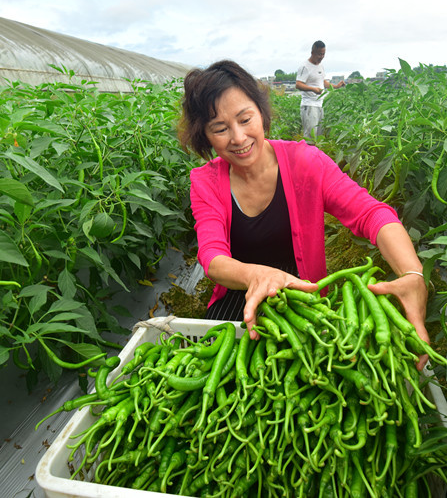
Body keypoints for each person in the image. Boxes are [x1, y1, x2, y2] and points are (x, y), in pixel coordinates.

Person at [178, 60, 429, 369]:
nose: (239, 138)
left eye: (246, 119)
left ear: (262, 112)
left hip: (304, 301)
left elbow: (371, 214)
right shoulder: (206, 182)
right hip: (239, 298)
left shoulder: (305, 162)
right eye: (220, 129)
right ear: (205, 136)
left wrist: (413, 274)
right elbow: (213, 257)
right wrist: (256, 275)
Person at [295, 40, 345, 139]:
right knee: (310, 137)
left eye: (323, 54)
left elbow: (323, 82)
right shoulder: (305, 67)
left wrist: (336, 86)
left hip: (319, 105)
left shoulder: (320, 66)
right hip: (309, 105)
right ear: (312, 52)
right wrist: (313, 89)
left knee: (319, 136)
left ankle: (315, 154)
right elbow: (298, 84)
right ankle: (307, 155)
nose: (321, 57)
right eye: (319, 54)